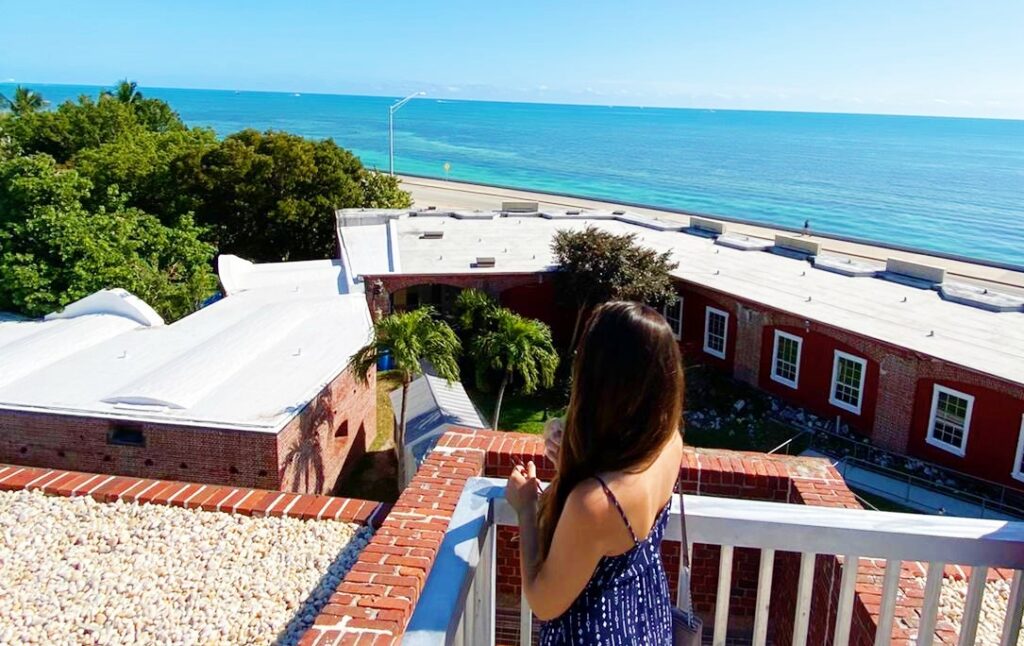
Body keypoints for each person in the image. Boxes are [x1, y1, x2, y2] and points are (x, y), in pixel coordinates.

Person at [506, 301, 685, 645]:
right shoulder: (669, 440)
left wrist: (525, 507)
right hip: (646, 619)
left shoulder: (595, 503)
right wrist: (573, 457)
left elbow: (544, 602)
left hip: (595, 634)